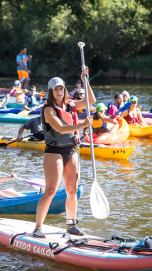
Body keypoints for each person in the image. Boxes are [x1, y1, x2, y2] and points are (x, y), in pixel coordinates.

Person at [34, 67, 95, 238]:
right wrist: (83, 125)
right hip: (54, 152)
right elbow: (60, 129)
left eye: (61, 88)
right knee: (51, 190)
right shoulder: (48, 110)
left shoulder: (71, 105)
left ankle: (71, 225)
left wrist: (85, 81)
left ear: (65, 90)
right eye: (56, 89)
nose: (59, 92)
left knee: (72, 190)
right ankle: (38, 227)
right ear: (51, 91)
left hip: (71, 150)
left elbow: (91, 100)